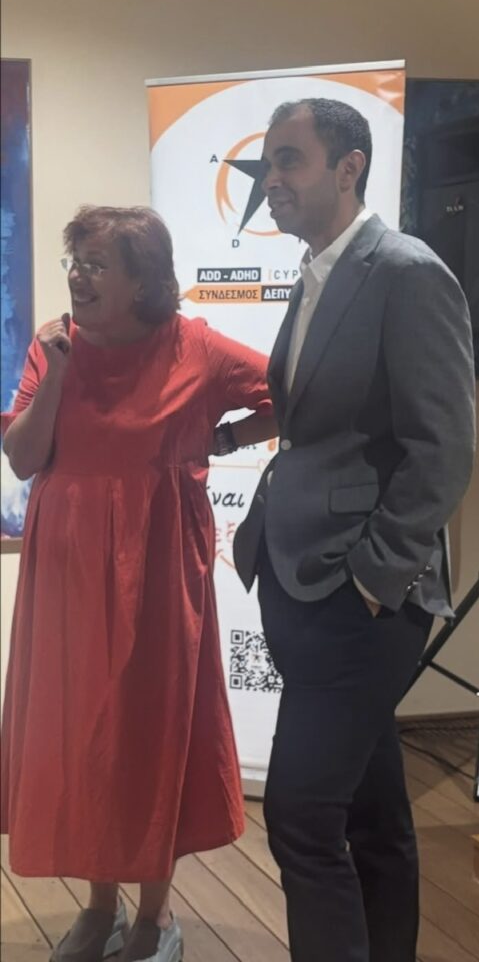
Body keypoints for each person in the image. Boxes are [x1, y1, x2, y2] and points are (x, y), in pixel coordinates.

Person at [233, 98, 476, 962]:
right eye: (268, 161)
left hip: (359, 596)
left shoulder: (406, 272)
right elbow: (317, 418)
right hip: (297, 578)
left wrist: (375, 578)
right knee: (374, 816)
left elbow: (444, 448)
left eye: (288, 160)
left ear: (349, 168)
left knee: (301, 818)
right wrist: (224, 439)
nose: (270, 179)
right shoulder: (317, 271)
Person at [1, 206, 277, 962]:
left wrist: (225, 437)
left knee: (153, 724)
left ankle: (155, 916)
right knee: (84, 726)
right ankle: (100, 908)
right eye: (75, 262)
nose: (79, 277)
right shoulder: (55, 346)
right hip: (67, 565)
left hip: (157, 563)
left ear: (144, 282)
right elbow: (22, 457)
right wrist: (56, 375)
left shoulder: (196, 347)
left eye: (96, 264)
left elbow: (289, 392)